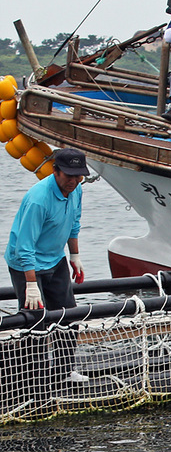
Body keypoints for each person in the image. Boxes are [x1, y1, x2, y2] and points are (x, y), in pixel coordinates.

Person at [4, 149, 90, 384]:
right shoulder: (38, 199)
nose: (73, 181)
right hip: (26, 264)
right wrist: (31, 284)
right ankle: (34, 378)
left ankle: (65, 371)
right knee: (36, 320)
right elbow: (24, 247)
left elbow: (74, 222)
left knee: (69, 315)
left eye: (78, 176)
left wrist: (75, 255)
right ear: (55, 171)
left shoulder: (77, 190)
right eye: (69, 175)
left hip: (55, 259)